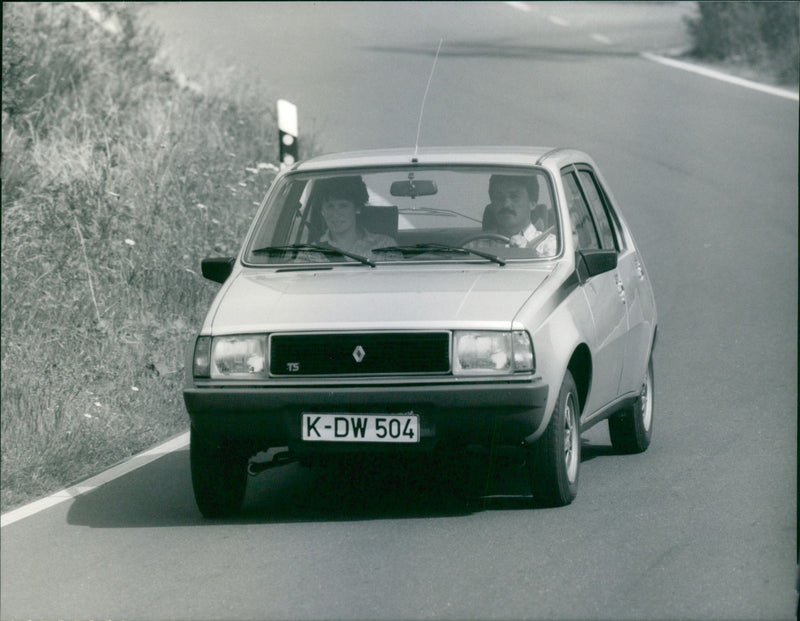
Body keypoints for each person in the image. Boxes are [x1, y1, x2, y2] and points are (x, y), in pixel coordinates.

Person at [305, 176, 397, 261]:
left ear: (357, 208)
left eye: (343, 206)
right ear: (322, 211)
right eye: (330, 206)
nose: (336, 214)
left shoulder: (385, 246)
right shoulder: (311, 253)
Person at [480, 174, 556, 256]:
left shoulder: (550, 245)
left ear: (532, 203)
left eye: (514, 196)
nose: (506, 204)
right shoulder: (474, 247)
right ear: (492, 204)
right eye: (499, 197)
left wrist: (529, 253)